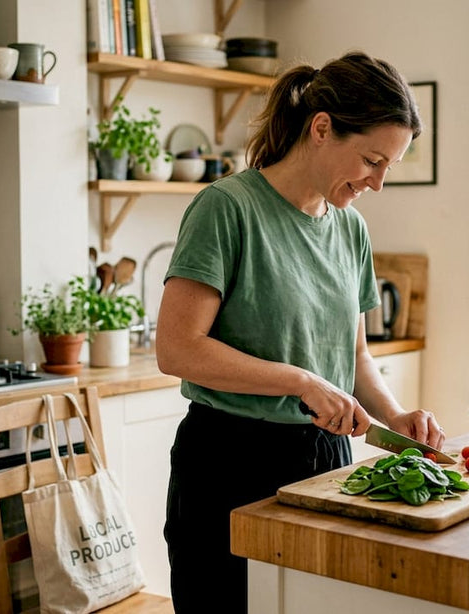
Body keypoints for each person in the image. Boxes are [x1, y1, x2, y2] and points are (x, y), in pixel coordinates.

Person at [155, 50, 446, 614]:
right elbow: (176, 349)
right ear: (321, 129)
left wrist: (396, 416)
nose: (378, 182)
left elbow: (354, 355)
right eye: (370, 160)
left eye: (389, 166)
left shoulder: (351, 229)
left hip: (327, 463)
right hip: (230, 464)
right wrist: (299, 381)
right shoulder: (226, 209)